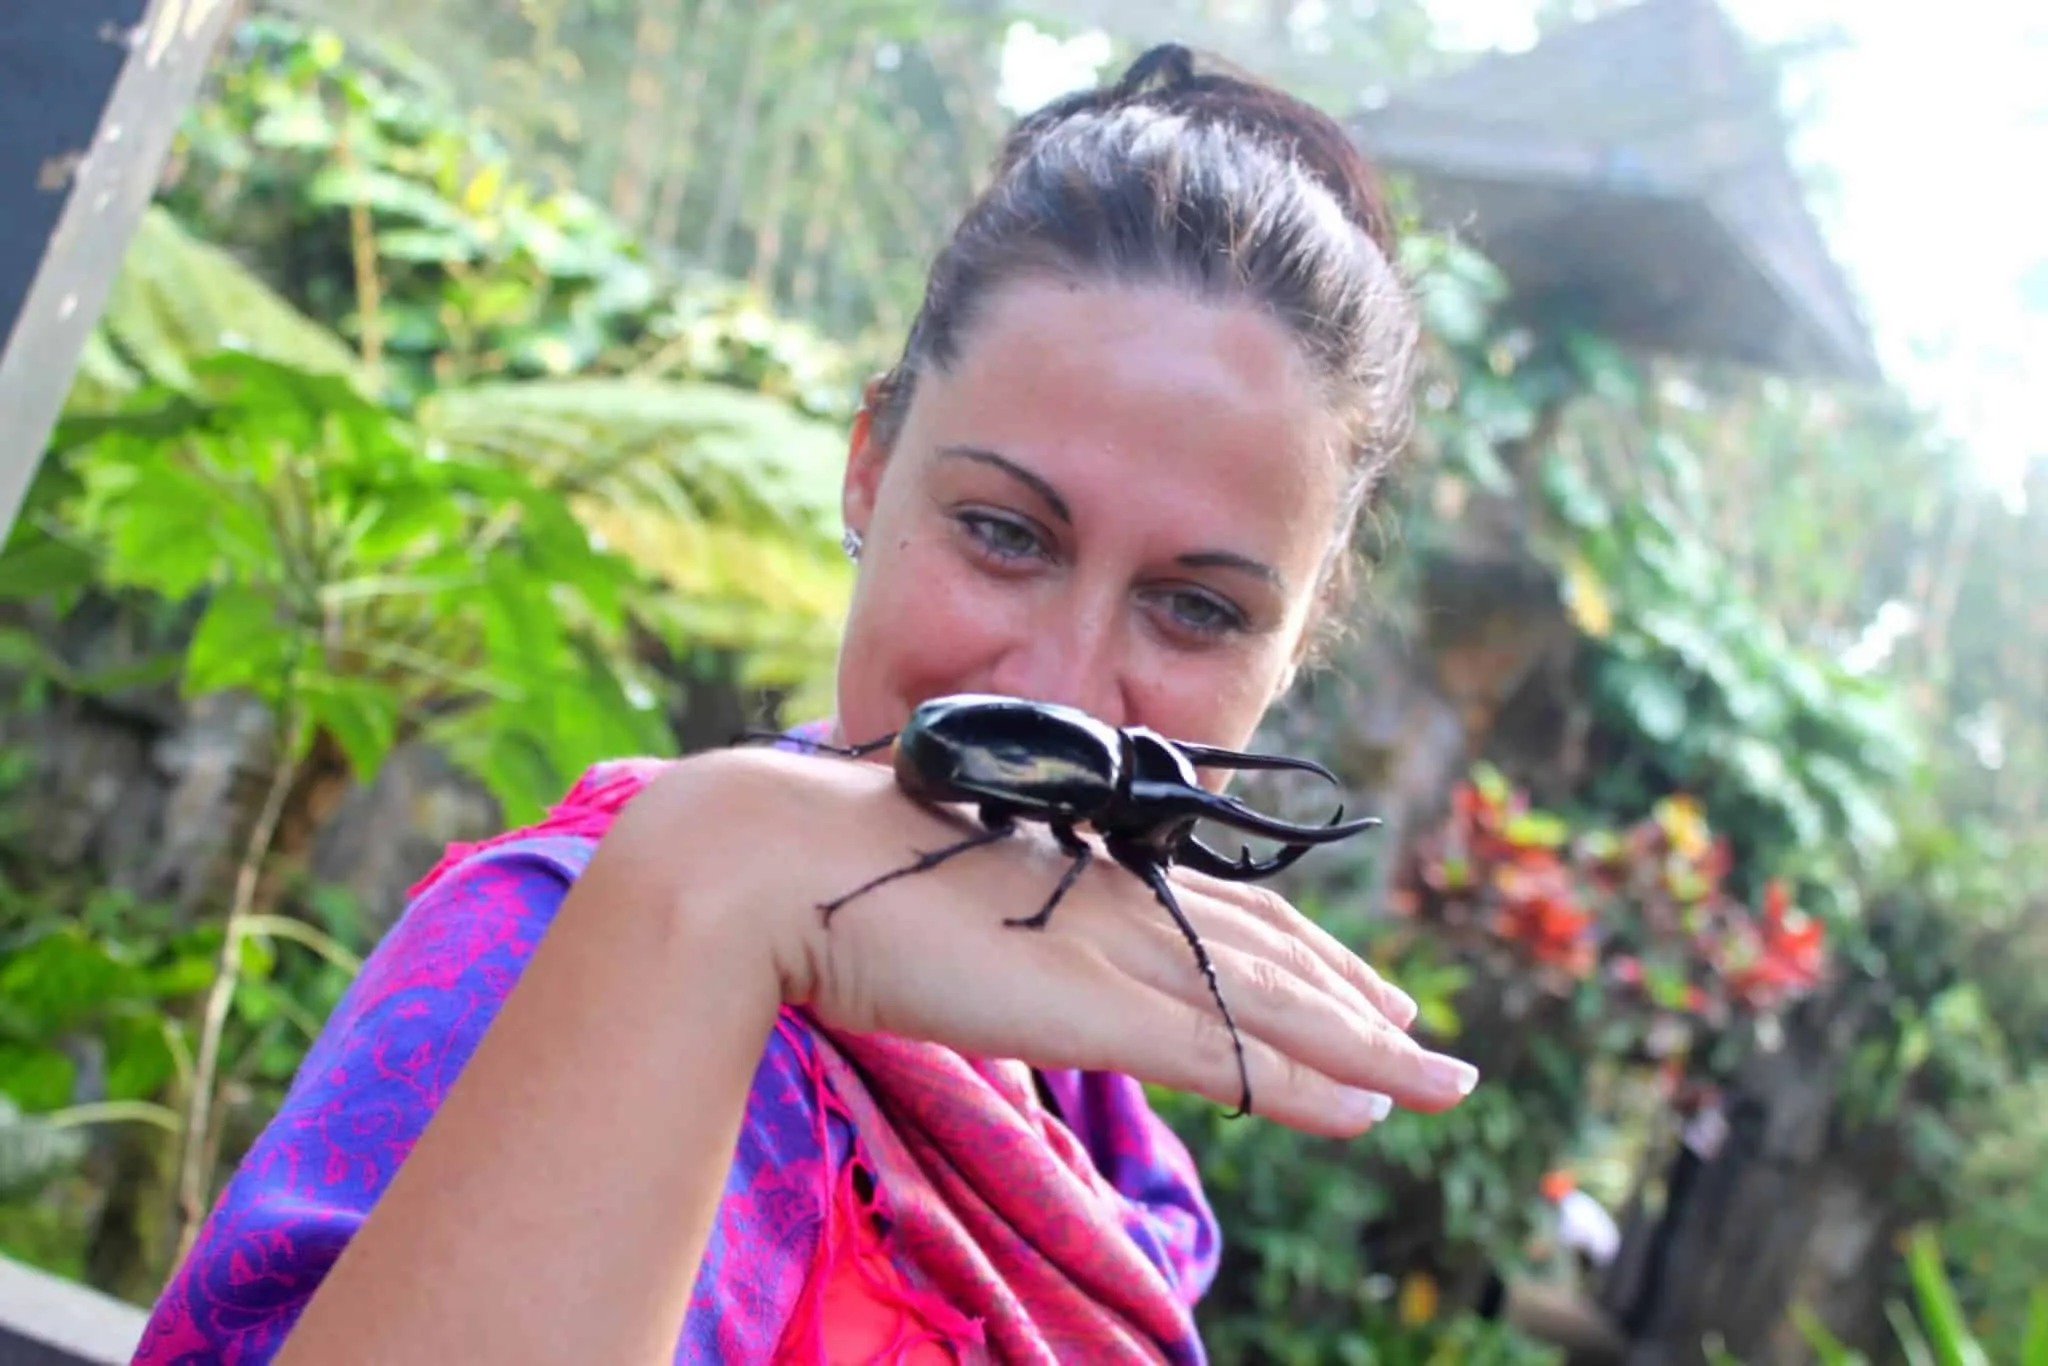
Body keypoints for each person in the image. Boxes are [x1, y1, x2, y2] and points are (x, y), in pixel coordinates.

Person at [130, 42, 1482, 1366]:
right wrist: (719, 872)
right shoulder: (563, 959)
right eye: (1006, 533)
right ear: (868, 467)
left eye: (1198, 609)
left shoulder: (1113, 1145)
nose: (1065, 692)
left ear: (1294, 649)